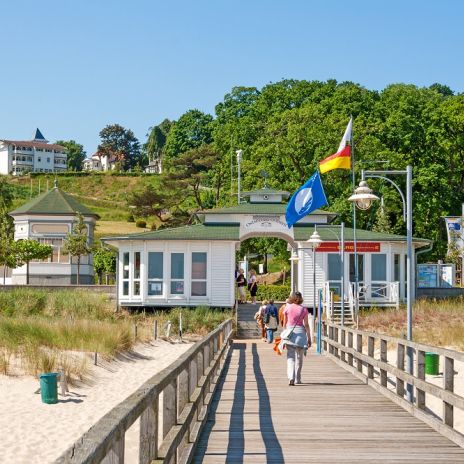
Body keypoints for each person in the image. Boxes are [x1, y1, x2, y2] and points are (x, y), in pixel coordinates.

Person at [282, 291, 311, 386]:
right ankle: (297, 379)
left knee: (290, 357)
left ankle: (291, 377)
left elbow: (285, 324)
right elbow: (306, 325)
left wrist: (284, 336)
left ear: (292, 298)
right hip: (301, 335)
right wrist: (309, 338)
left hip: (290, 334)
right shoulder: (304, 310)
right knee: (299, 358)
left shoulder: (287, 308)